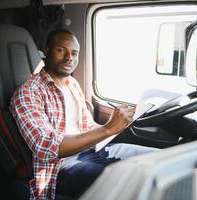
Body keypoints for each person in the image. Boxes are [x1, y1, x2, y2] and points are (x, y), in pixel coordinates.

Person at [10, 29, 157, 200]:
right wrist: (108, 129)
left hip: (94, 150)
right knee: (130, 181)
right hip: (61, 165)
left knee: (157, 160)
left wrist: (119, 122)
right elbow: (47, 148)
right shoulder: (28, 92)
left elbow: (88, 126)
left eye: (74, 53)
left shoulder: (72, 84)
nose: (69, 57)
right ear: (47, 51)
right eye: (61, 50)